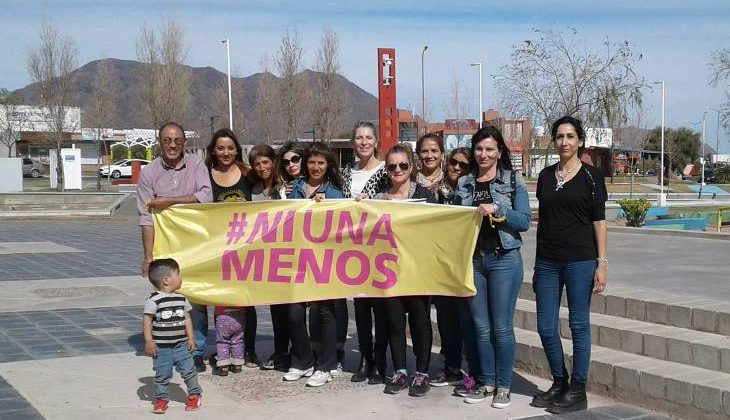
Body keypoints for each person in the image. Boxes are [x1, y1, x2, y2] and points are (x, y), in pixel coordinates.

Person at [531, 116, 608, 414]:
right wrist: (538, 264)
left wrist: (602, 263)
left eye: (570, 136)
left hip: (581, 260)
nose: (564, 142)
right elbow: (543, 223)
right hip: (548, 261)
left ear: (579, 141)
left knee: (578, 325)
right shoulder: (546, 176)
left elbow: (599, 222)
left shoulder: (592, 176)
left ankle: (578, 388)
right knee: (545, 325)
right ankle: (559, 381)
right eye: (560, 136)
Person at [452, 125, 531, 408]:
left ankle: (504, 385)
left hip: (504, 260)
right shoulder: (464, 183)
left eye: (489, 149)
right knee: (481, 327)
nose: (483, 154)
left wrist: (499, 210)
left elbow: (525, 221)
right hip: (474, 261)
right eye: (479, 149)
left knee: (501, 327)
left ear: (499, 152)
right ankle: (486, 382)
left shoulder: (512, 180)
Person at [137, 122, 213, 373]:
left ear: (184, 143)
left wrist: (170, 202)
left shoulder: (196, 165)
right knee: (166, 298)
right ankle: (168, 347)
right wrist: (148, 257)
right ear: (160, 142)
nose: (172, 145)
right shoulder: (148, 173)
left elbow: (205, 196)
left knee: (196, 298)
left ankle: (196, 350)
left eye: (178, 140)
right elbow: (146, 217)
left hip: (195, 245)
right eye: (167, 140)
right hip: (165, 246)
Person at [374, 143, 436, 397]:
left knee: (421, 322)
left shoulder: (425, 194)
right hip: (390, 271)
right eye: (392, 166)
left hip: (418, 270)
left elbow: (438, 228)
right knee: (395, 325)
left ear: (411, 167)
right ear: (386, 170)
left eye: (402, 165)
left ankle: (422, 373)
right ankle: (400, 370)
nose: (397, 170)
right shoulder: (377, 198)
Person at [284, 142, 345, 387]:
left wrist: (325, 208)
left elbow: (341, 226)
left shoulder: (334, 193)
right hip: (298, 258)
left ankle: (326, 365)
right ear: (305, 164)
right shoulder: (295, 188)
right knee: (295, 312)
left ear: (328, 165)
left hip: (325, 260)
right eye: (312, 162)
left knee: (326, 312)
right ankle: (303, 361)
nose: (316, 167)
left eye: (321, 163)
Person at [204, 128, 259, 370]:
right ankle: (223, 347)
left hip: (246, 249)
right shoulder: (205, 175)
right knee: (222, 300)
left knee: (247, 300)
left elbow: (269, 193)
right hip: (218, 249)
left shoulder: (248, 173)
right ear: (213, 151)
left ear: (237, 149)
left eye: (230, 148)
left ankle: (248, 349)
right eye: (221, 148)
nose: (226, 152)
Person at [341, 121, 389, 384]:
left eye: (368, 137)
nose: (363, 142)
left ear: (376, 141)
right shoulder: (346, 172)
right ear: (353, 142)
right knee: (360, 307)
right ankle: (365, 358)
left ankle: (380, 360)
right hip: (354, 247)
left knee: (379, 307)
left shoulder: (386, 170)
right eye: (359, 137)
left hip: (379, 245)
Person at [429, 147, 471, 389]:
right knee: (446, 320)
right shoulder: (434, 193)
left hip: (466, 263)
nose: (456, 167)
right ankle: (451, 366)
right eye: (454, 162)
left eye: (463, 165)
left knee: (468, 320)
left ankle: (475, 367)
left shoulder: (472, 191)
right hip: (441, 265)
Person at [248, 144, 290, 372]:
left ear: (273, 162)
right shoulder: (254, 191)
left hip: (291, 253)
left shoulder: (287, 186)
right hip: (269, 255)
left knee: (292, 309)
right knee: (276, 308)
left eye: (266, 162)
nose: (262, 167)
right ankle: (281, 350)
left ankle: (297, 351)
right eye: (257, 163)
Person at [143, 258, 202, 414]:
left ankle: (194, 394)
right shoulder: (154, 300)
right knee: (162, 374)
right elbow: (147, 319)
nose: (181, 278)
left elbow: (187, 318)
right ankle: (162, 399)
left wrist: (190, 337)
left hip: (181, 344)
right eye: (178, 274)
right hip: (161, 347)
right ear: (167, 280)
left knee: (189, 371)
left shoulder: (181, 298)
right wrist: (149, 340)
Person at [212, 305, 246, 376]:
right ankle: (237, 364)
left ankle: (223, 365)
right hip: (239, 316)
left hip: (222, 315)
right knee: (237, 340)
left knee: (222, 341)